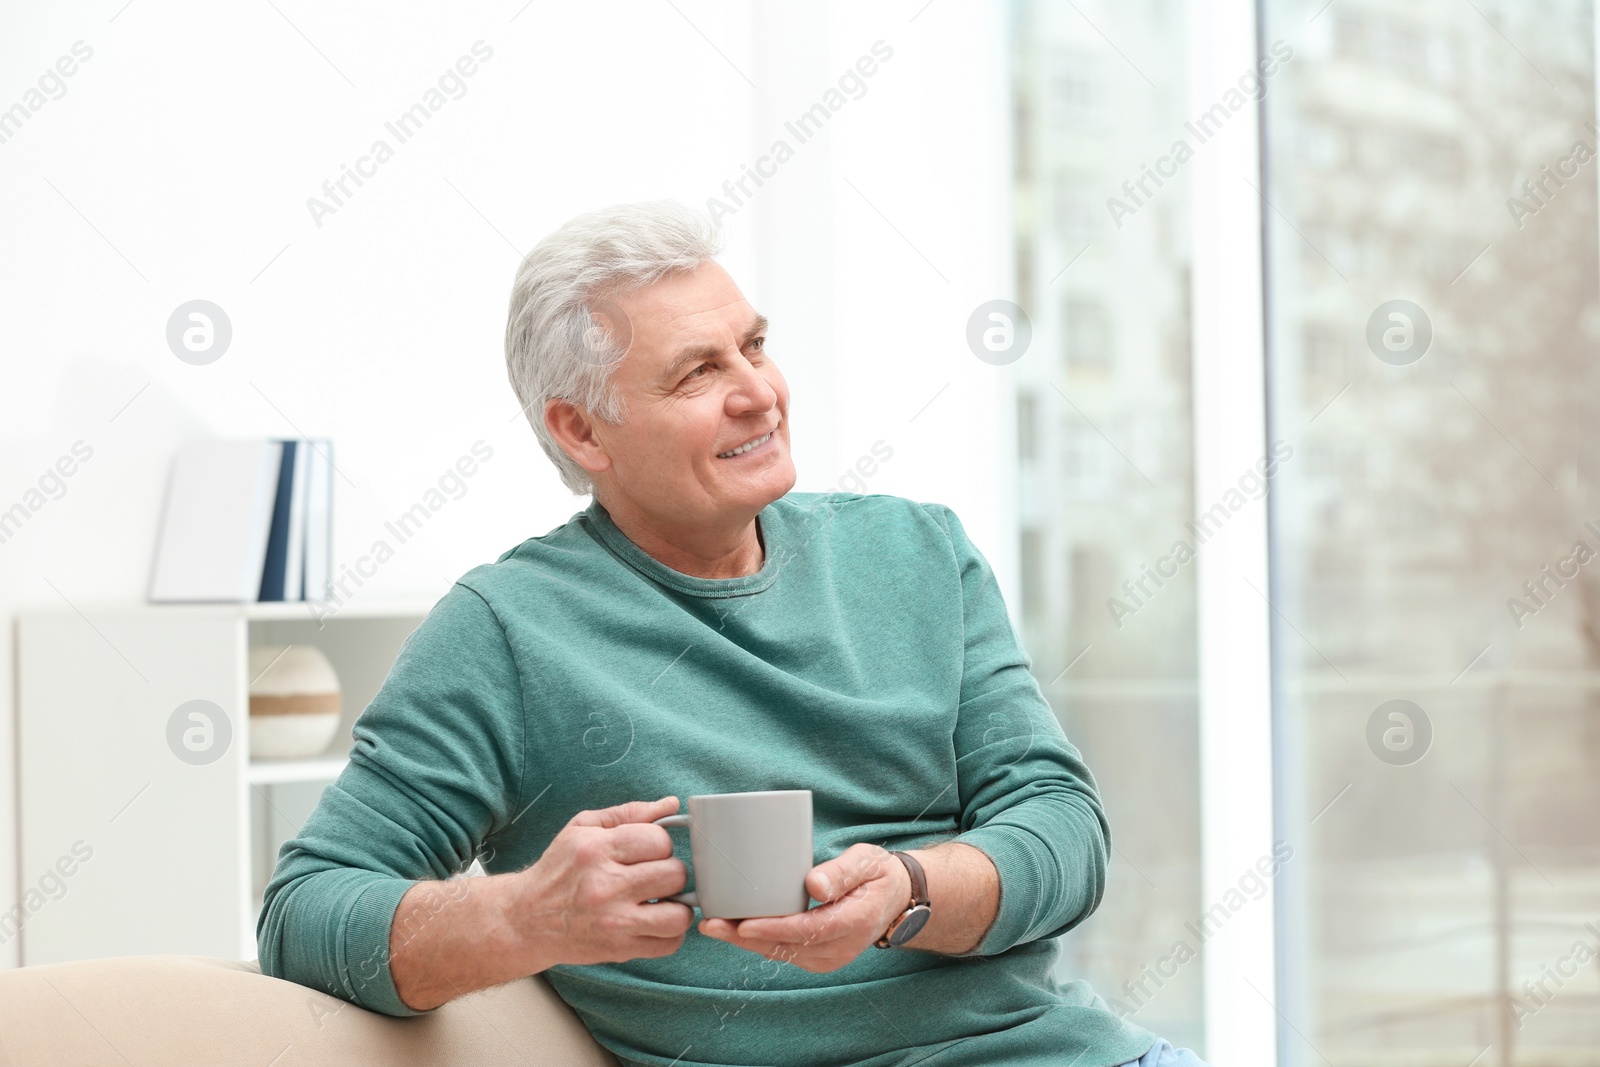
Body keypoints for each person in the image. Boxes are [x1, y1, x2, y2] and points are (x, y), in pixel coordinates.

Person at [257, 200, 1212, 1067]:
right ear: (583, 432)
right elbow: (304, 912)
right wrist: (524, 916)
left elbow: (1064, 828)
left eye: (754, 346)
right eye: (699, 372)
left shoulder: (920, 553)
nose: (759, 392)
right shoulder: (508, 630)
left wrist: (911, 890)